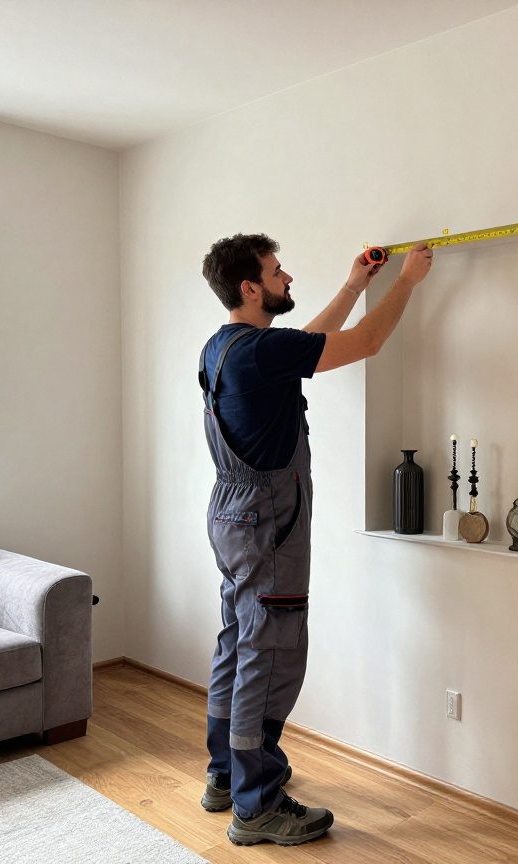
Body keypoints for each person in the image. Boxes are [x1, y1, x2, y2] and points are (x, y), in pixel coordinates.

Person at [197, 233, 432, 846]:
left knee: (239, 643)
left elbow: (302, 348)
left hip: (232, 517)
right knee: (269, 654)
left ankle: (225, 777)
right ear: (251, 288)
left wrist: (356, 285)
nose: (288, 278)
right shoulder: (256, 354)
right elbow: (366, 343)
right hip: (266, 524)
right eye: (278, 272)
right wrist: (405, 283)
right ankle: (258, 805)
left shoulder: (227, 347)